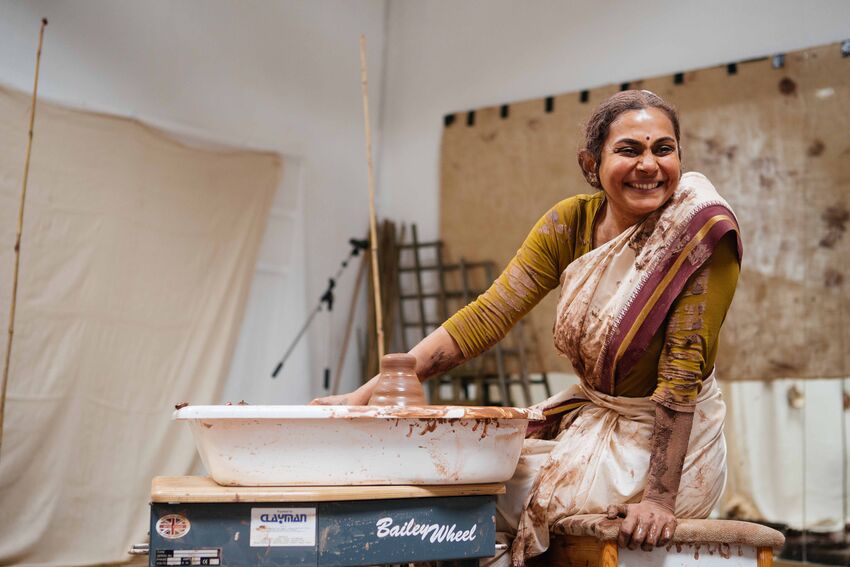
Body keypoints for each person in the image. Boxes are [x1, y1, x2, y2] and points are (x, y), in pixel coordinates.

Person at [312, 90, 741, 566]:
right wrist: (366, 393)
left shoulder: (699, 232)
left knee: (494, 500)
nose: (649, 165)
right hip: (595, 425)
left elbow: (682, 375)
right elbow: (488, 315)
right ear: (590, 163)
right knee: (464, 472)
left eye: (664, 149)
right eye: (629, 150)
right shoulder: (569, 223)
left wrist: (659, 500)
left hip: (667, 450)